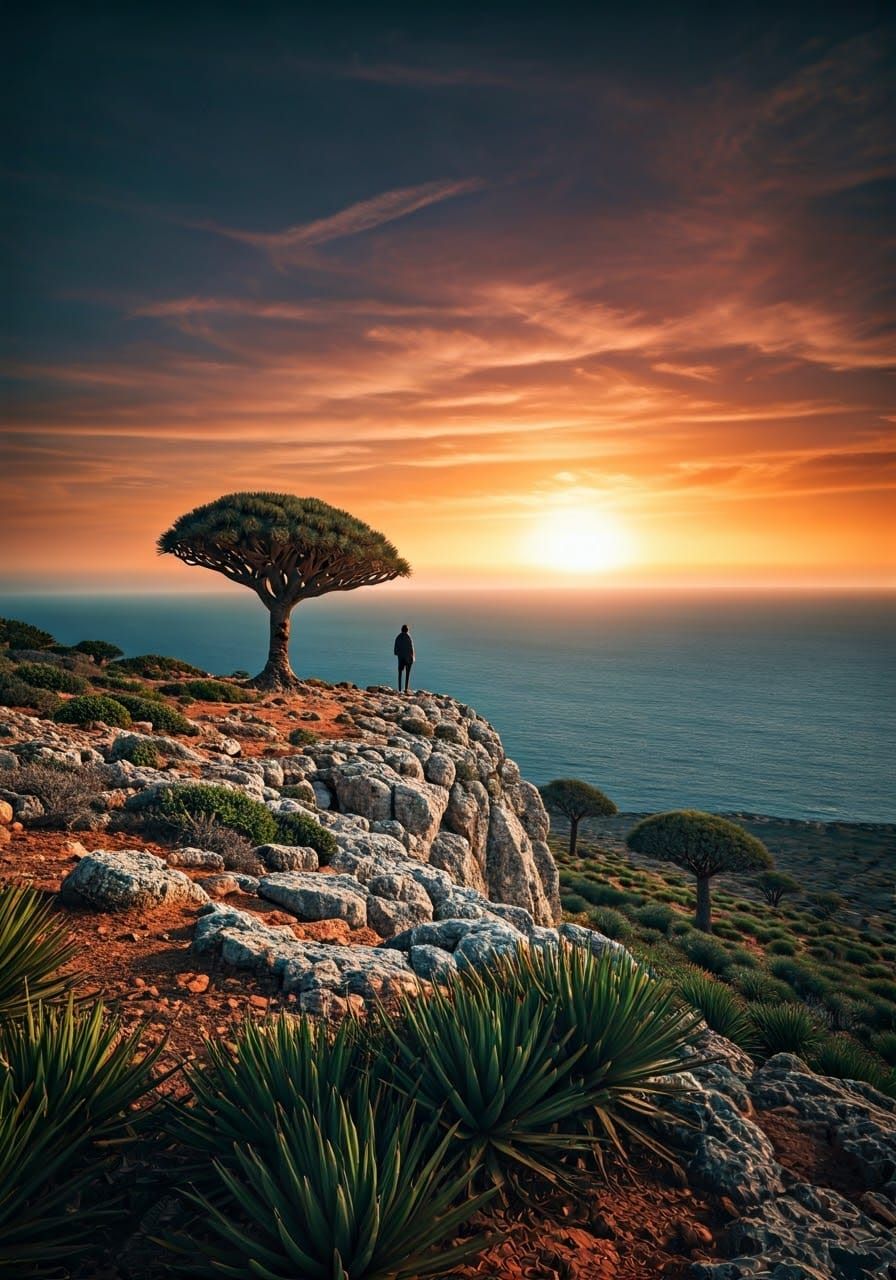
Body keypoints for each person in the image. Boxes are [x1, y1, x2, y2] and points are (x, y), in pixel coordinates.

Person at [393, 623, 414, 692]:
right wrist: (412, 658)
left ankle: (399, 689)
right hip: (408, 658)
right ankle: (406, 689)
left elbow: (395, 650)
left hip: (401, 658)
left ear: (401, 630)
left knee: (400, 673)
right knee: (407, 674)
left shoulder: (398, 637)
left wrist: (399, 654)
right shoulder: (408, 637)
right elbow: (411, 648)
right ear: (407, 630)